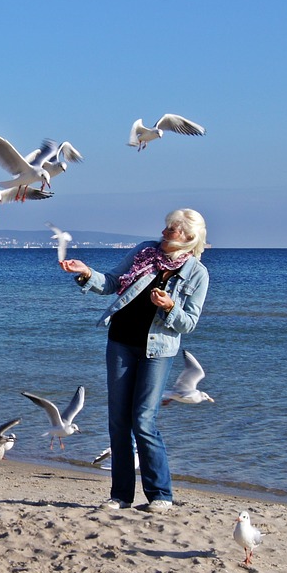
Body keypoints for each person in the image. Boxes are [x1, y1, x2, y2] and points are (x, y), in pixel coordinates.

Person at [59, 208, 209, 511]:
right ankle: (121, 496)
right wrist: (86, 272)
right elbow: (113, 282)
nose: (166, 232)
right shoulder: (144, 251)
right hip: (120, 343)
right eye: (167, 226)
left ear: (189, 237)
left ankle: (160, 496)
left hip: (158, 350)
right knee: (118, 420)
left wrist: (169, 307)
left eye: (174, 229)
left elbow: (189, 323)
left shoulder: (197, 272)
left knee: (143, 420)